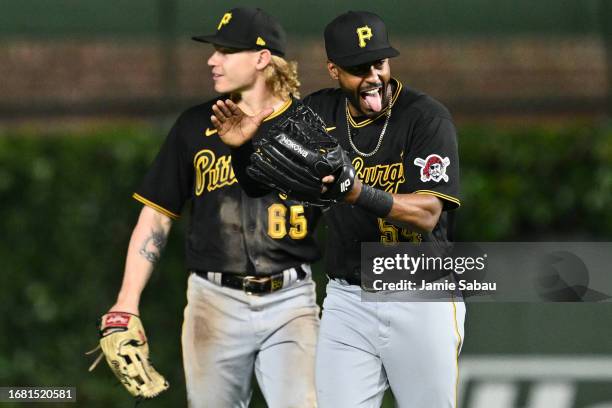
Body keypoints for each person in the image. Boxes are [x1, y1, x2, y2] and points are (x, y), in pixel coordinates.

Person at [212, 10, 465, 408]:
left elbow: (429, 212)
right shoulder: (317, 112)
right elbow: (260, 182)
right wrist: (244, 150)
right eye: (357, 68)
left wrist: (358, 192)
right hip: (348, 300)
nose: (373, 77)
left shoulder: (425, 117)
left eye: (379, 63)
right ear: (333, 69)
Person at [106, 7, 320, 408]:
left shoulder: (312, 127)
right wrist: (126, 300)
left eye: (226, 51)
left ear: (261, 59)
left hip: (291, 301)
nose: (212, 60)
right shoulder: (193, 126)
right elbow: (156, 214)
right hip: (214, 301)